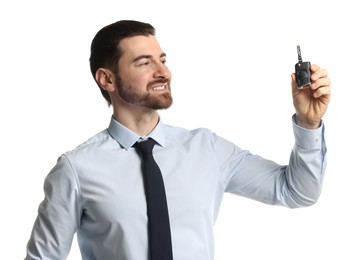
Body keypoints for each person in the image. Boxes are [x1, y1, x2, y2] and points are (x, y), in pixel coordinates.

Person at [25, 20, 330, 260]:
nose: (163, 72)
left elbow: (297, 192)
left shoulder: (207, 149)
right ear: (107, 79)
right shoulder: (76, 169)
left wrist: (308, 122)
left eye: (163, 60)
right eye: (144, 63)